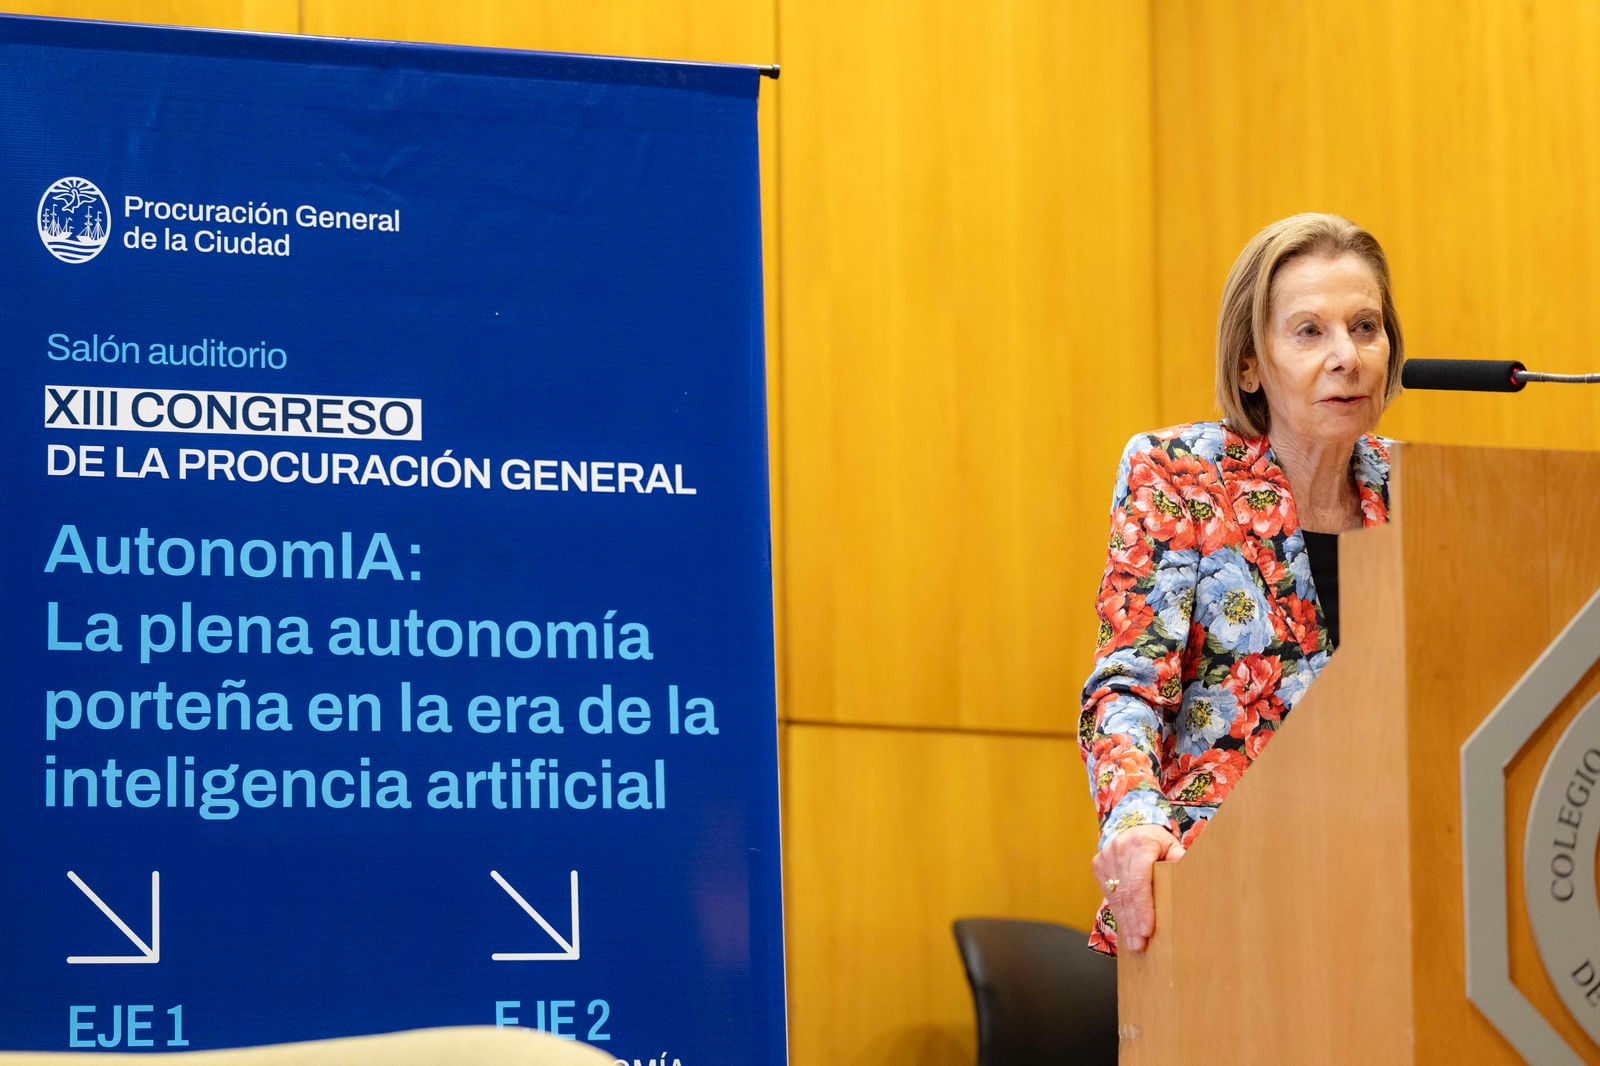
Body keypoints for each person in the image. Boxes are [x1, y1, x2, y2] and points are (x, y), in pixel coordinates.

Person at [1077, 213, 1402, 956]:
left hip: (1391, 898)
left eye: (1364, 326)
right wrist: (1134, 820)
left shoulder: (1422, 491)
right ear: (1252, 365)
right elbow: (1126, 689)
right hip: (1226, 904)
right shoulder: (1181, 476)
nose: (1346, 356)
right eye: (1309, 332)